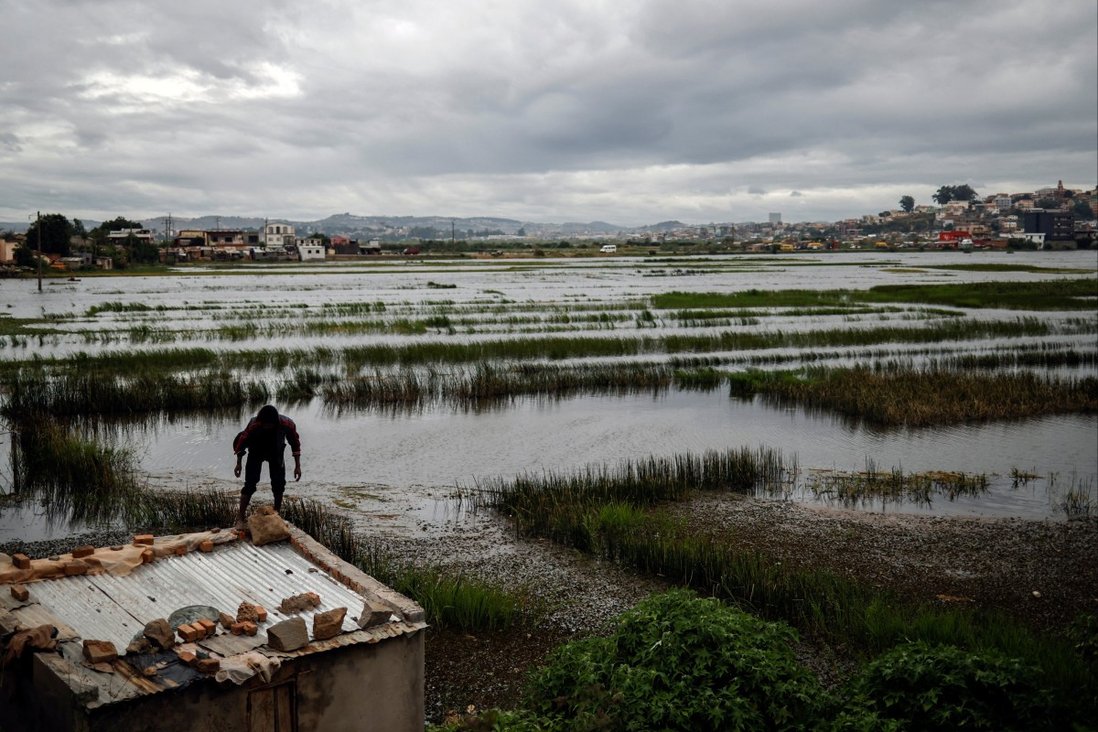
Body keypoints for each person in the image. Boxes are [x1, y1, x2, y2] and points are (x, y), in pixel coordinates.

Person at [233, 404, 302, 528]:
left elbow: (295, 443)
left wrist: (298, 466)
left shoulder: (286, 424)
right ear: (261, 422)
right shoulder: (254, 424)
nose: (268, 427)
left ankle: (277, 515)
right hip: (256, 451)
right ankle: (240, 517)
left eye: (270, 425)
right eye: (265, 424)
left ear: (276, 422)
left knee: (279, 485)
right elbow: (241, 443)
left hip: (276, 452)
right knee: (249, 484)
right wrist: (239, 464)